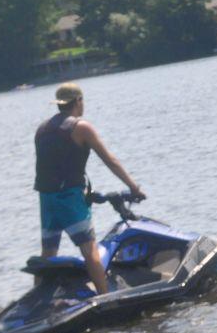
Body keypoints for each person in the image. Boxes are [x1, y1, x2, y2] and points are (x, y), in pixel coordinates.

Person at [34, 83, 144, 294]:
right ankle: (105, 298)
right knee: (89, 249)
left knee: (48, 252)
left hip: (46, 198)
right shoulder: (81, 127)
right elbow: (110, 160)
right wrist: (133, 187)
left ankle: (35, 299)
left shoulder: (42, 129)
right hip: (69, 197)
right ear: (78, 102)